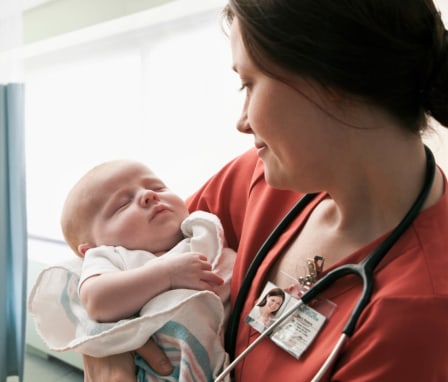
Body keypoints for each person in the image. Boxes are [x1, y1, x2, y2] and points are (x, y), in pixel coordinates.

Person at [82, 0, 448, 381]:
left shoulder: (415, 315)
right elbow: (113, 250)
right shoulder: (263, 178)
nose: (241, 121)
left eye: (249, 83)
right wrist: (100, 339)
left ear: (331, 80)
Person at [29, 159, 235, 381]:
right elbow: (97, 300)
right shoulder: (111, 257)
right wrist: (167, 275)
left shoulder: (201, 234)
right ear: (92, 248)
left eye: (158, 187)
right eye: (122, 205)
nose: (149, 195)